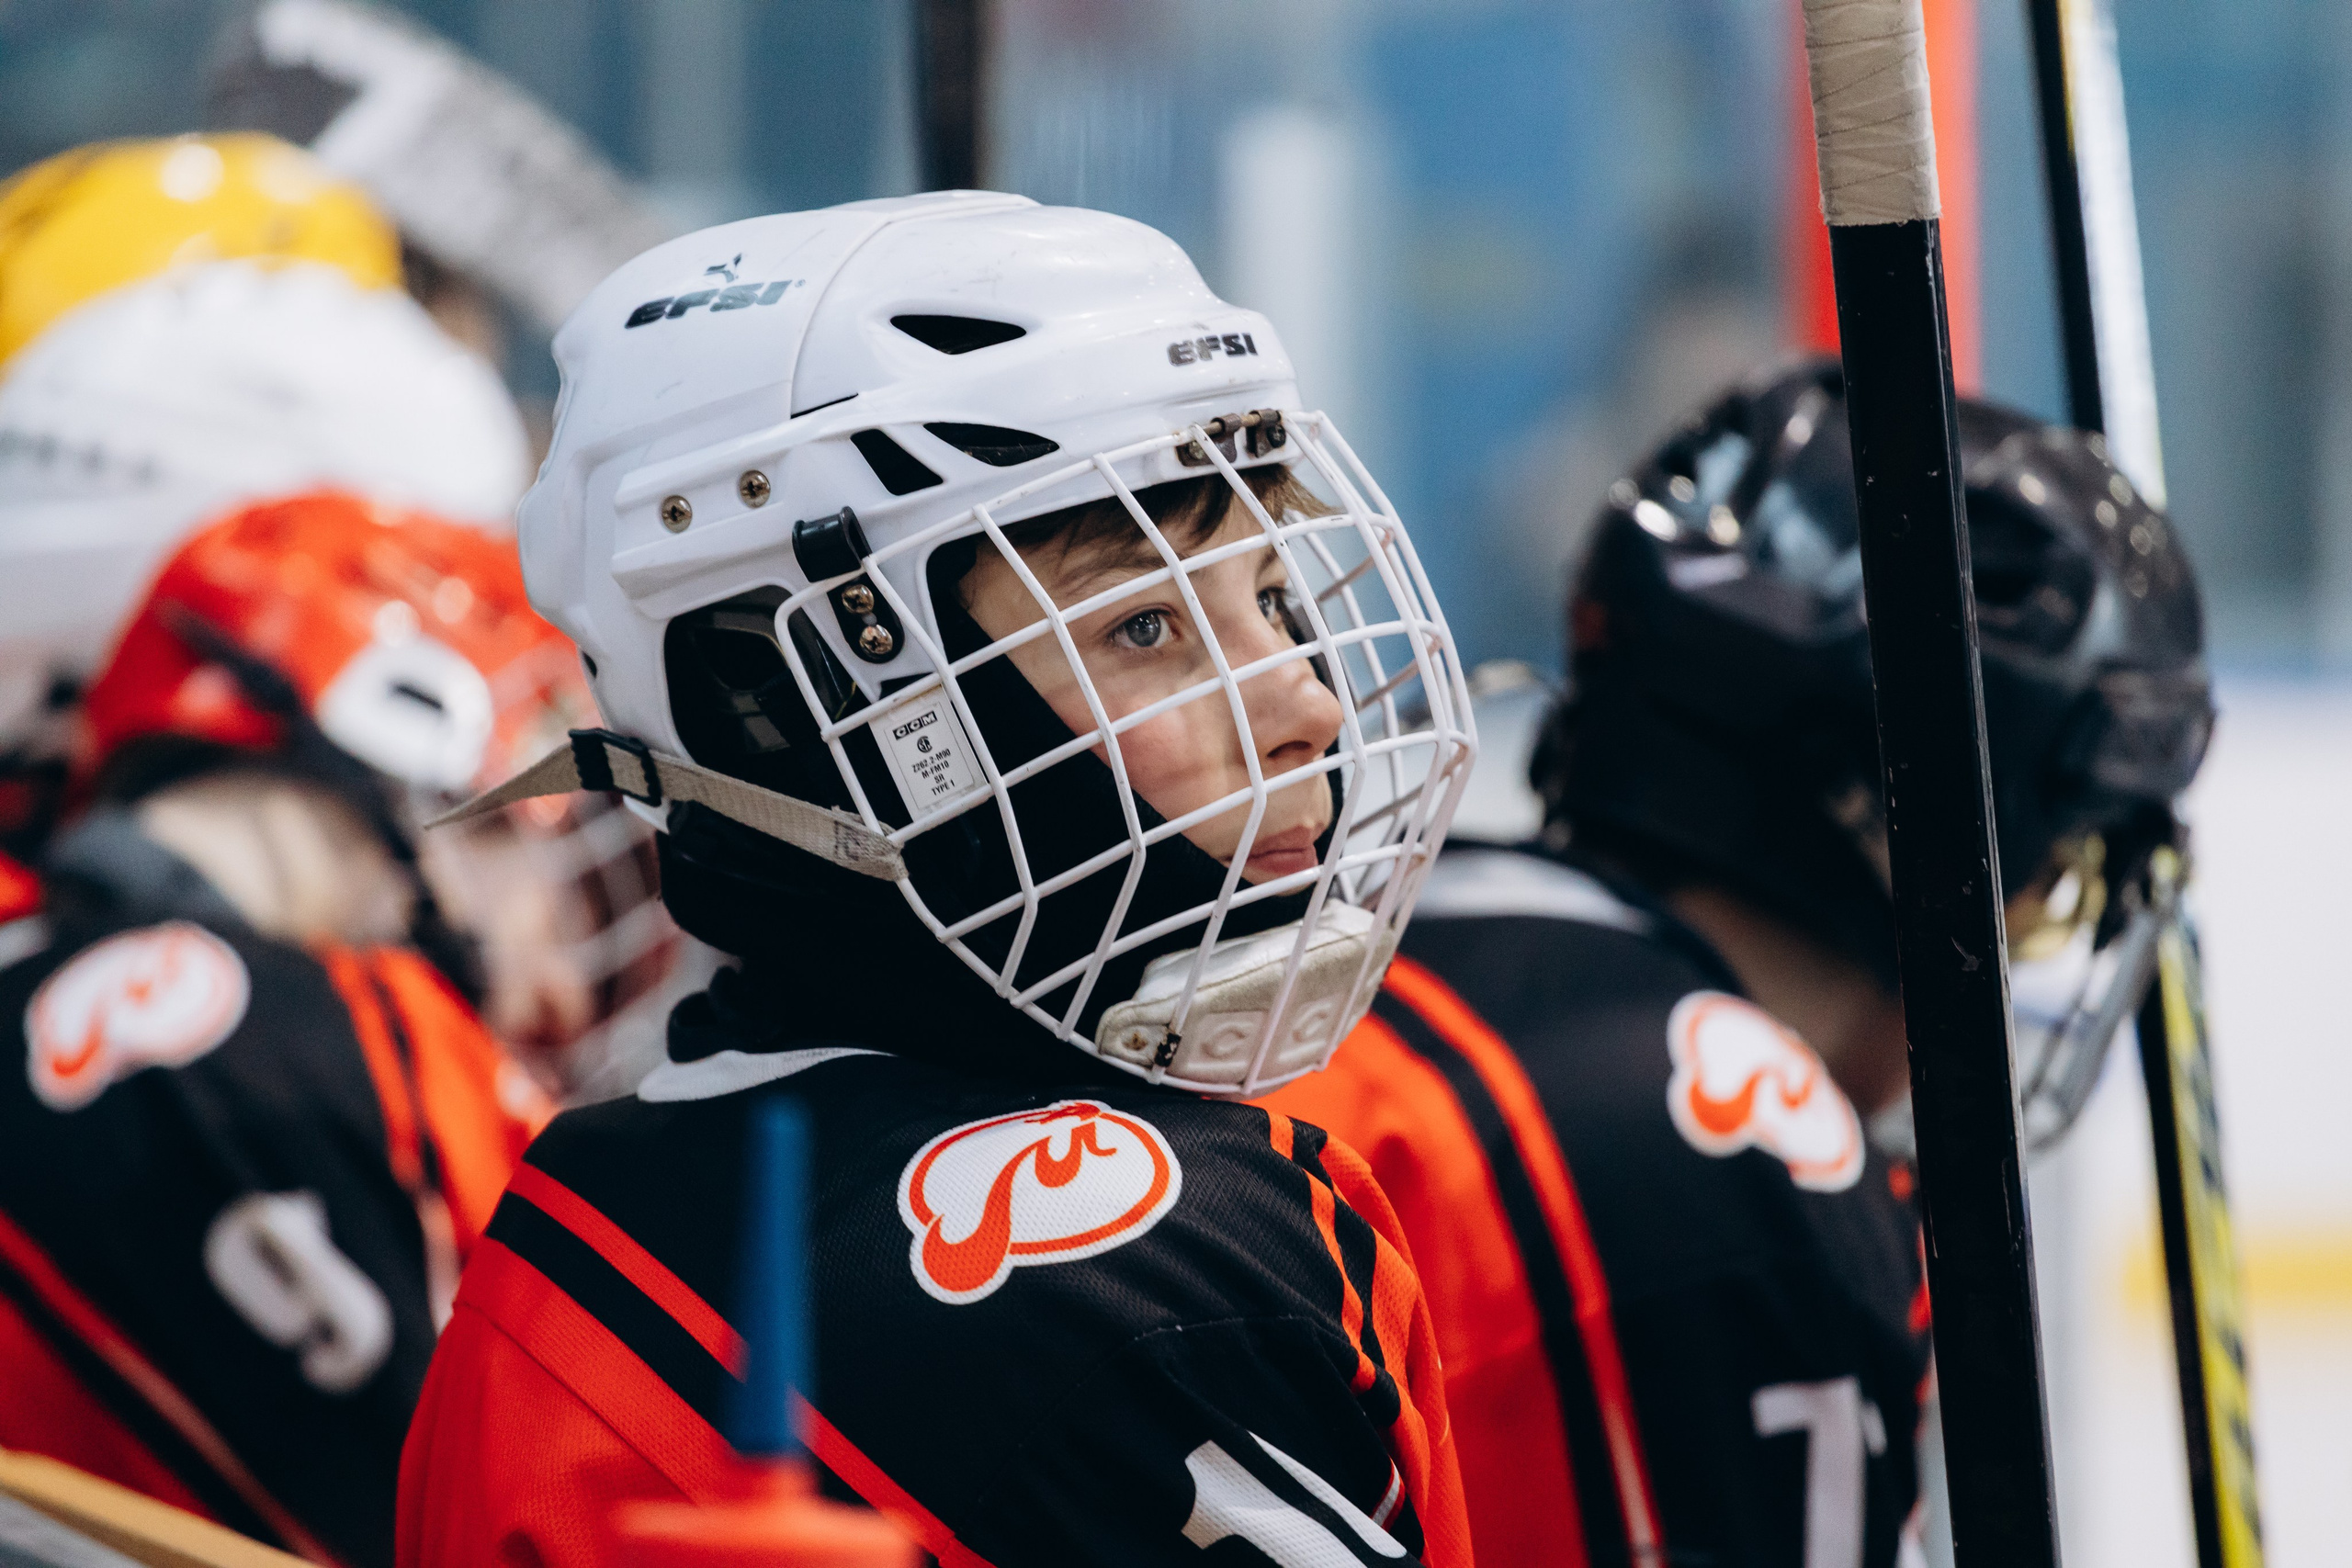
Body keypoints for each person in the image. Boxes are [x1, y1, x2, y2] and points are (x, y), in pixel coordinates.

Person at [396, 190, 1480, 1567]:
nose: (1306, 704)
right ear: (779, 702)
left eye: (1271, 597)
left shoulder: (537, 1251)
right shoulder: (1177, 1247)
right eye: (1143, 624)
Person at [1261, 358, 2214, 1568]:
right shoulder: (1747, 1148)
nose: (2027, 930)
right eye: (2053, 877)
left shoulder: (1383, 950)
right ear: (1885, 808)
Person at [0, 493, 593, 1567]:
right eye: (508, 823)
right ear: (385, 727)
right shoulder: (254, 1030)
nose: (551, 930)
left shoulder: (77, 973)